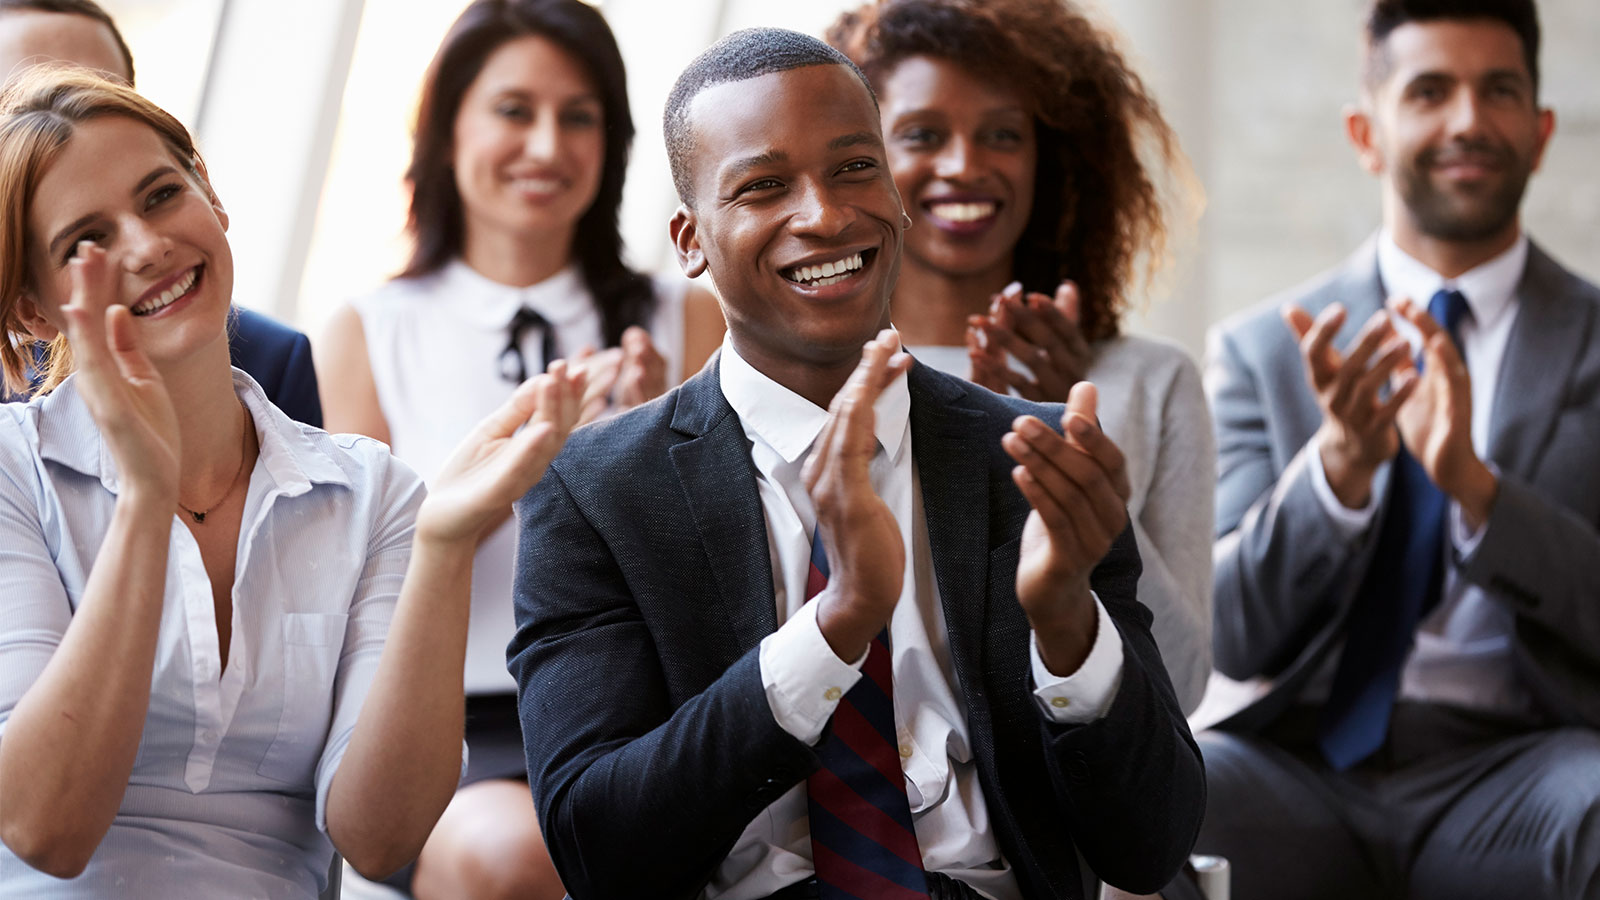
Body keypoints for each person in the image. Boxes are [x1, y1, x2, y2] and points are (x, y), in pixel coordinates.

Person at [509, 28, 1203, 900]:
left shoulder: (1035, 459)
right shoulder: (596, 491)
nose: (826, 215)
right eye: (764, 186)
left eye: (854, 168)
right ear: (690, 240)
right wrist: (834, 627)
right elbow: (598, 849)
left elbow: (1150, 846)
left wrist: (1069, 627)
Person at [0, 69, 584, 897]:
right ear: (33, 311)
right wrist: (142, 498)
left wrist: (445, 547)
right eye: (86, 242)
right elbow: (45, 829)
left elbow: (378, 838)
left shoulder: (371, 492)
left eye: (163, 195)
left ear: (213, 197)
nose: (145, 244)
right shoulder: (11, 472)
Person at [315, 1, 724, 896]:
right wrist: (542, 471)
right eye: (513, 110)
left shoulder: (686, 313)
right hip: (457, 720)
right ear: (446, 124)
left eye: (578, 116)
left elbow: (729, 567)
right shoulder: (367, 332)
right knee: (508, 862)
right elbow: (358, 589)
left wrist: (649, 465)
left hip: (644, 704)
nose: (546, 146)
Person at [1200, 1, 1600, 897]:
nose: (1467, 119)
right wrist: (1337, 471)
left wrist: (1475, 490)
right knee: (1162, 787)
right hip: (1298, 769)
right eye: (1429, 90)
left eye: (1498, 90)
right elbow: (1228, 631)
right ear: (1366, 133)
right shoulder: (1262, 351)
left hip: (1524, 770)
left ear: (1539, 133)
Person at [826, 0, 1213, 716]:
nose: (965, 165)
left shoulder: (1150, 382)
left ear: (1053, 161)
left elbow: (1181, 683)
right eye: (922, 134)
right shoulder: (816, 377)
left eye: (1002, 134)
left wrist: (1077, 459)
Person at [0, 0, 324, 426]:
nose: (64, 113)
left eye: (98, 91)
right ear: (31, 309)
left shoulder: (276, 360)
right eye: (22, 107)